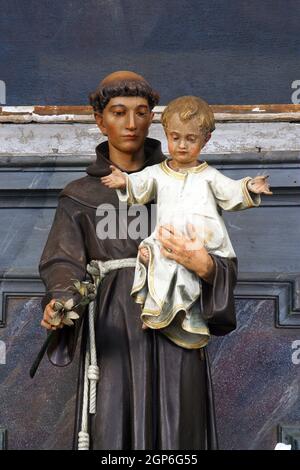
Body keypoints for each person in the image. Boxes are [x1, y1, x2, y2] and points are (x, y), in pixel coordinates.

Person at [39, 71, 238, 450]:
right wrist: (61, 300)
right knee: (114, 431)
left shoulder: (190, 184)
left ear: (153, 119)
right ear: (100, 120)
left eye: (141, 112)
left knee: (179, 432)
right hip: (115, 327)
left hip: (178, 322)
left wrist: (206, 267)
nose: (131, 123)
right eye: (118, 112)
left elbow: (221, 255)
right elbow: (62, 262)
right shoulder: (80, 195)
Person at [100, 95, 272, 350]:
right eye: (175, 137)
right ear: (166, 134)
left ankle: (188, 321)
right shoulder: (158, 172)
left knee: (188, 279)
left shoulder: (209, 176)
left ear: (206, 140)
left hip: (201, 239)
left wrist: (250, 187)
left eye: (191, 139)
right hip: (169, 236)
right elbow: (141, 184)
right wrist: (124, 181)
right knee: (156, 261)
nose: (181, 145)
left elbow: (231, 192)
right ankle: (156, 313)